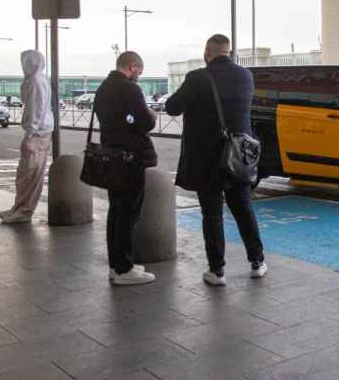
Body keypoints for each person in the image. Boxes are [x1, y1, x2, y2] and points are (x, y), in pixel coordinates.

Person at [166, 34, 265, 286]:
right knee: (243, 209)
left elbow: (172, 107)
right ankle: (257, 262)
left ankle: (217, 271)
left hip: (206, 158)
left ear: (207, 52)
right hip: (238, 156)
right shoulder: (246, 76)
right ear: (229, 52)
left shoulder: (197, 77)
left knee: (212, 215)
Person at [96, 51, 158, 286]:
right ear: (132, 67)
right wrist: (150, 114)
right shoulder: (129, 88)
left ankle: (116, 265)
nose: (139, 77)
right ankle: (124, 268)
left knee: (116, 211)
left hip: (110, 156)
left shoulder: (103, 87)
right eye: (139, 72)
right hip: (130, 158)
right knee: (128, 213)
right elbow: (145, 121)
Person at [0, 51, 53, 224]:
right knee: (27, 174)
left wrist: (30, 132)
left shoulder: (36, 81)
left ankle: (24, 211)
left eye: (26, 61)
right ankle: (19, 208)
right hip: (38, 131)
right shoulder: (35, 79)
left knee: (29, 174)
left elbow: (36, 108)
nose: (23, 64)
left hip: (37, 133)